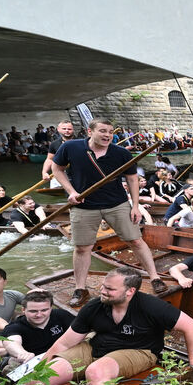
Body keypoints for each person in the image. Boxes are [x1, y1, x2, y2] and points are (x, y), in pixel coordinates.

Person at [31, 267, 193, 385]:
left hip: (139, 351)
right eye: (103, 286)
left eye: (110, 289)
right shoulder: (95, 306)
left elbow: (191, 326)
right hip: (96, 347)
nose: (103, 291)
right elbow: (64, 343)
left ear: (130, 291)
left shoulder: (151, 306)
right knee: (43, 376)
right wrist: (40, 366)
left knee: (96, 371)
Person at [51, 117, 167, 307]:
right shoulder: (71, 147)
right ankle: (80, 289)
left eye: (110, 132)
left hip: (117, 204)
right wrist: (71, 191)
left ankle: (155, 278)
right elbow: (57, 169)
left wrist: (135, 206)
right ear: (90, 132)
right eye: (102, 131)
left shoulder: (120, 153)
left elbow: (132, 179)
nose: (107, 135)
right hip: (84, 206)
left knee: (136, 240)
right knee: (82, 248)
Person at [0, 291, 75, 374]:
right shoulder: (15, 327)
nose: (39, 315)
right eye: (33, 311)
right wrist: (22, 353)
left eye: (44, 310)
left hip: (59, 355)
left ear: (50, 308)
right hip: (30, 360)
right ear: (23, 310)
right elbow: (11, 342)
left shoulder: (61, 315)